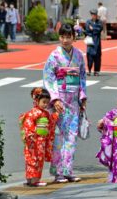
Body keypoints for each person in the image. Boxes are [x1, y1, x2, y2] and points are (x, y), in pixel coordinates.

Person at [43, 23, 87, 183]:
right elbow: (49, 77)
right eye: (62, 36)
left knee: (72, 136)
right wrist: (54, 99)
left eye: (68, 37)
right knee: (58, 137)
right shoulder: (54, 56)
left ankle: (68, 170)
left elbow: (82, 76)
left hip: (74, 100)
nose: (65, 40)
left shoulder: (79, 55)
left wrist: (83, 97)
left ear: (74, 38)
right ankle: (58, 172)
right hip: (59, 100)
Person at [19, 88, 57, 187]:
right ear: (36, 101)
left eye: (47, 103)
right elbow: (28, 123)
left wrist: (56, 115)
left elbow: (51, 123)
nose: (45, 105)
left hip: (41, 141)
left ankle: (34, 180)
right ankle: (32, 180)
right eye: (43, 102)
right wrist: (30, 134)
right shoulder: (33, 113)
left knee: (39, 160)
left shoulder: (46, 113)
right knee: (32, 160)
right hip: (33, 140)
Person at [85, 9, 103, 76]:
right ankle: (89, 70)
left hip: (97, 41)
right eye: (92, 15)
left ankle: (96, 71)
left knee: (97, 56)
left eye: (95, 15)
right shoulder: (88, 22)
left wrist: (93, 28)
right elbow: (87, 30)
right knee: (89, 55)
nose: (93, 16)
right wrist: (93, 29)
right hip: (90, 40)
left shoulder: (99, 22)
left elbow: (100, 29)